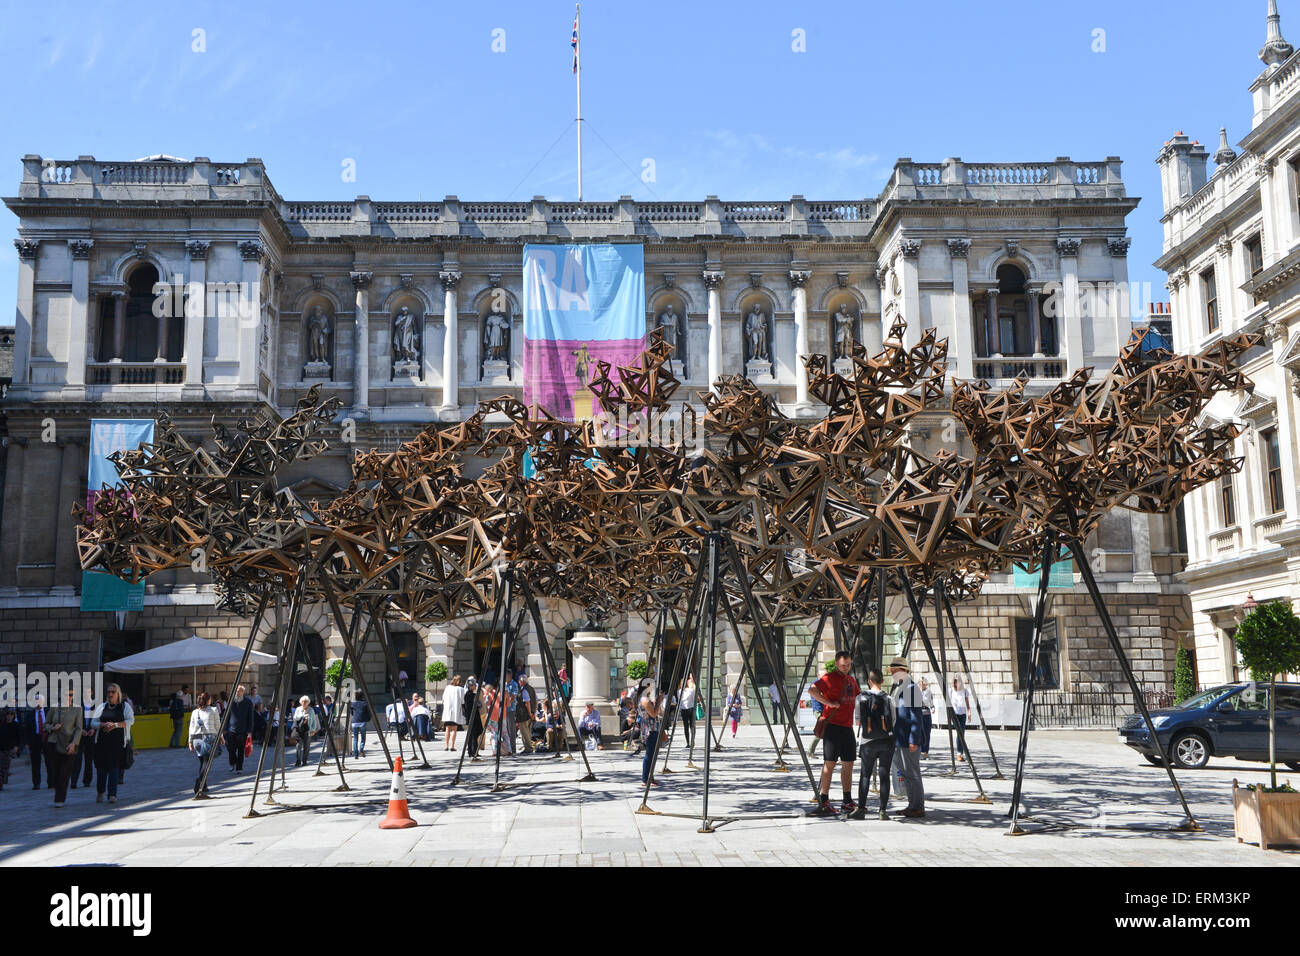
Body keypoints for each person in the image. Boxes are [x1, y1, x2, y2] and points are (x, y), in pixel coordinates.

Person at [807, 651, 860, 817]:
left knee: (849, 763)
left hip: (847, 727)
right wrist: (828, 702)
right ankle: (824, 800)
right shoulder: (829, 678)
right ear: (837, 664)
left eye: (848, 665)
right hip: (833, 727)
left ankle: (847, 800)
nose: (846, 668)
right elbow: (812, 690)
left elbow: (857, 698)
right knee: (829, 764)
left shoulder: (851, 680)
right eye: (843, 665)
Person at [849, 669, 895, 821]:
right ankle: (882, 811)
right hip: (886, 741)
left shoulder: (860, 698)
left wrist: (860, 739)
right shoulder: (889, 698)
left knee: (865, 775)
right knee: (884, 775)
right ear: (882, 681)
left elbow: (857, 720)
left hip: (868, 742)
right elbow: (893, 721)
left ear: (869, 680)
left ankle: (861, 809)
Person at [889, 657, 927, 818]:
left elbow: (916, 716)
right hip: (900, 737)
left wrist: (914, 739)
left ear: (903, 671)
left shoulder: (911, 688)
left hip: (908, 739)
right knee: (906, 773)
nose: (892, 674)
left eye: (894, 671)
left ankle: (917, 805)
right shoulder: (901, 687)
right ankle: (912, 804)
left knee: (912, 773)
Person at [91, 683, 134, 805]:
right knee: (101, 769)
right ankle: (100, 791)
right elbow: (93, 722)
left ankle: (112, 794)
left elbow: (131, 720)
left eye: (113, 692)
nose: (110, 694)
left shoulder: (124, 706)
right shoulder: (102, 707)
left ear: (118, 693)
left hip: (117, 743)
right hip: (102, 743)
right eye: (108, 692)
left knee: (114, 768)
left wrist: (115, 725)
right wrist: (102, 725)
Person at [46, 689, 84, 808]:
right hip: (54, 743)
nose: (68, 697)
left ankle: (60, 799)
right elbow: (46, 724)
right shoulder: (54, 708)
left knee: (64, 773)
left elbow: (79, 729)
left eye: (71, 694)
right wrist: (52, 727)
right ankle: (58, 791)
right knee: (55, 773)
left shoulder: (77, 709)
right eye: (65, 694)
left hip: (69, 744)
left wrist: (74, 743)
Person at [188, 692, 221, 794]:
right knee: (206, 763)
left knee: (202, 762)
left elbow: (191, 728)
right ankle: (199, 781)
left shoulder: (195, 712)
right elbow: (218, 726)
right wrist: (222, 737)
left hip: (197, 740)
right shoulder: (214, 710)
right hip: (209, 738)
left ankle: (204, 785)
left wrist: (190, 741)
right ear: (208, 700)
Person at [637, 681, 665, 786]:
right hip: (650, 729)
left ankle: (650, 777)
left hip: (651, 728)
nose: (653, 688)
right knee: (649, 754)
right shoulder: (645, 700)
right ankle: (645, 778)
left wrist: (658, 703)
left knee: (652, 754)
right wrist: (658, 702)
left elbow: (658, 712)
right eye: (651, 686)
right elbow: (653, 714)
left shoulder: (646, 699)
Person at [21, 695, 49, 790]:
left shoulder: (48, 712)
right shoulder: (30, 714)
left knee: (50, 761)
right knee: (35, 763)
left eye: (39, 701)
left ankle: (51, 782)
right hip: (35, 739)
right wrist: (27, 742)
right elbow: (26, 729)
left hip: (47, 739)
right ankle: (36, 783)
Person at [225, 685, 253, 772]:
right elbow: (226, 716)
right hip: (231, 729)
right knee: (231, 748)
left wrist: (249, 730)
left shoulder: (248, 702)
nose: (237, 692)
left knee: (241, 750)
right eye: (236, 691)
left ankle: (239, 768)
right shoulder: (231, 701)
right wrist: (225, 728)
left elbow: (250, 717)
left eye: (239, 691)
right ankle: (232, 762)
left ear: (242, 692)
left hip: (243, 730)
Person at [950, 677, 973, 761]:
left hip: (963, 714)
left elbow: (967, 702)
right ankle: (959, 753)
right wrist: (948, 716)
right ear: (954, 683)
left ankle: (960, 753)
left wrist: (969, 712)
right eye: (956, 682)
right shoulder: (951, 690)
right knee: (959, 732)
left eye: (959, 682)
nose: (958, 684)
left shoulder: (965, 690)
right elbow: (948, 704)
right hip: (954, 714)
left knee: (962, 733)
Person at [292, 696, 319, 767]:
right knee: (298, 746)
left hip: (308, 730)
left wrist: (313, 729)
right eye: (303, 701)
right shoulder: (298, 709)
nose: (304, 703)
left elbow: (314, 721)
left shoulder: (311, 710)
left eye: (306, 701)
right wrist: (302, 716)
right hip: (299, 730)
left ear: (308, 702)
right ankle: (298, 761)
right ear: (300, 702)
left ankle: (304, 761)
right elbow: (295, 718)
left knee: (306, 747)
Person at [441, 676, 466, 752]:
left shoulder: (447, 687)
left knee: (447, 729)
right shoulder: (461, 689)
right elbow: (463, 701)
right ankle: (452, 746)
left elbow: (443, 698)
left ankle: (446, 745)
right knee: (454, 729)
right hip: (455, 711)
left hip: (448, 711)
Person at [515, 675, 537, 754]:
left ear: (522, 682)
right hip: (529, 714)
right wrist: (534, 712)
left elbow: (527, 703)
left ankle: (528, 748)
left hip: (524, 714)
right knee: (528, 732)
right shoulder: (531, 688)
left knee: (525, 732)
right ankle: (527, 747)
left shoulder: (524, 690)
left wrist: (530, 713)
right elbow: (536, 700)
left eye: (519, 681)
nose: (519, 682)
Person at [464, 678, 483, 758]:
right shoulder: (471, 695)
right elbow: (478, 705)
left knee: (472, 734)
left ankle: (472, 750)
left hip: (471, 716)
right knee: (473, 734)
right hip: (474, 716)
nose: (475, 686)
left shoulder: (468, 694)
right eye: (474, 685)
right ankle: (473, 750)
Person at [0, 708, 19, 790]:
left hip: (9, 748)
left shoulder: (15, 725)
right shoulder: (2, 725)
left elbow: (18, 737)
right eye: (8, 715)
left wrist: (16, 746)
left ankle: (2, 782)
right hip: (1, 747)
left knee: (5, 766)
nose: (9, 717)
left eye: (11, 715)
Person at [677, 676, 697, 750]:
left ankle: (692, 740)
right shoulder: (679, 691)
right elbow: (680, 700)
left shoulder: (691, 690)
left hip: (690, 708)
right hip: (684, 709)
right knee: (686, 726)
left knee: (692, 725)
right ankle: (688, 742)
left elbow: (693, 698)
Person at [350, 691, 371, 758]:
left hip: (354, 722)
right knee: (363, 737)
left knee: (355, 738)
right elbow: (367, 712)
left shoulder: (353, 704)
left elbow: (352, 713)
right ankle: (361, 749)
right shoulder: (364, 703)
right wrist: (368, 719)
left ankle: (355, 754)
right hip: (362, 722)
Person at [919, 678, 934, 758]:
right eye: (920, 683)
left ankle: (926, 752)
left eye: (923, 683)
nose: (922, 685)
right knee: (920, 733)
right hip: (918, 712)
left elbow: (931, 702)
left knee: (927, 733)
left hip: (926, 713)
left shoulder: (928, 691)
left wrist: (933, 708)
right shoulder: (916, 691)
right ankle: (921, 751)